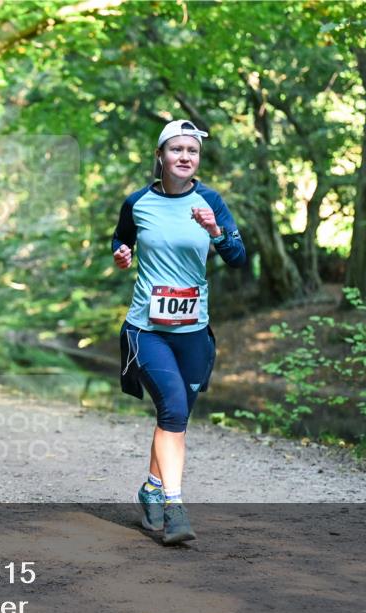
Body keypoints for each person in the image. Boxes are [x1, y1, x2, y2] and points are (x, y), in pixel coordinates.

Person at [113, 119, 246, 545]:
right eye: (176, 150)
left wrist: (215, 232)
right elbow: (122, 242)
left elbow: (238, 257)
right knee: (171, 409)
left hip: (193, 331)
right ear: (160, 157)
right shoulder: (137, 203)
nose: (185, 157)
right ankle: (174, 505)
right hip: (145, 329)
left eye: (192, 150)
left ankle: (150, 488)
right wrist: (121, 254)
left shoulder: (211, 201)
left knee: (176, 419)